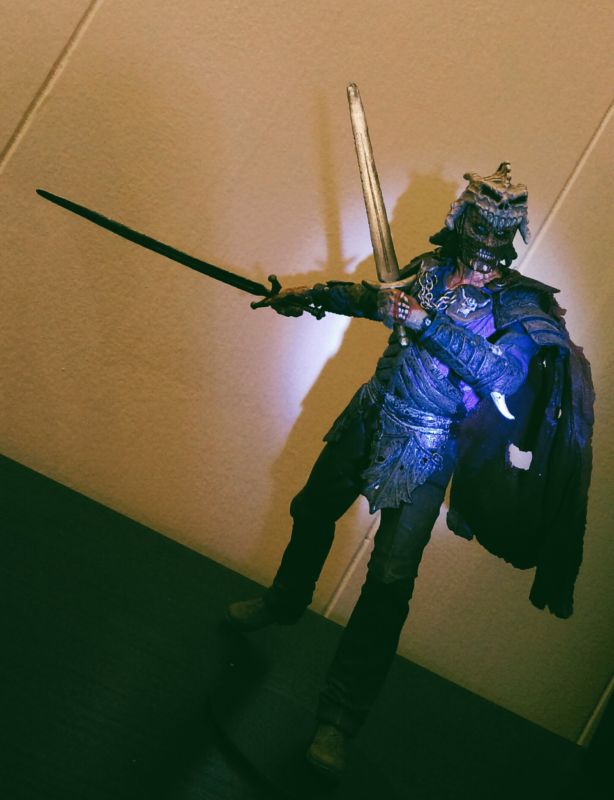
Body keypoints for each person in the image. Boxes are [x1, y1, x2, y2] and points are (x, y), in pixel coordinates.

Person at [225, 163, 594, 777]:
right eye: (480, 225)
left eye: (499, 230)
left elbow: (502, 373)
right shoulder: (429, 271)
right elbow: (374, 299)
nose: (487, 241)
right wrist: (309, 296)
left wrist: (425, 321)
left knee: (389, 581)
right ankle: (285, 600)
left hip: (427, 445)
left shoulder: (518, 306)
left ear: (513, 233)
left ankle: (339, 718)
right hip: (371, 412)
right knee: (311, 508)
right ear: (462, 219)